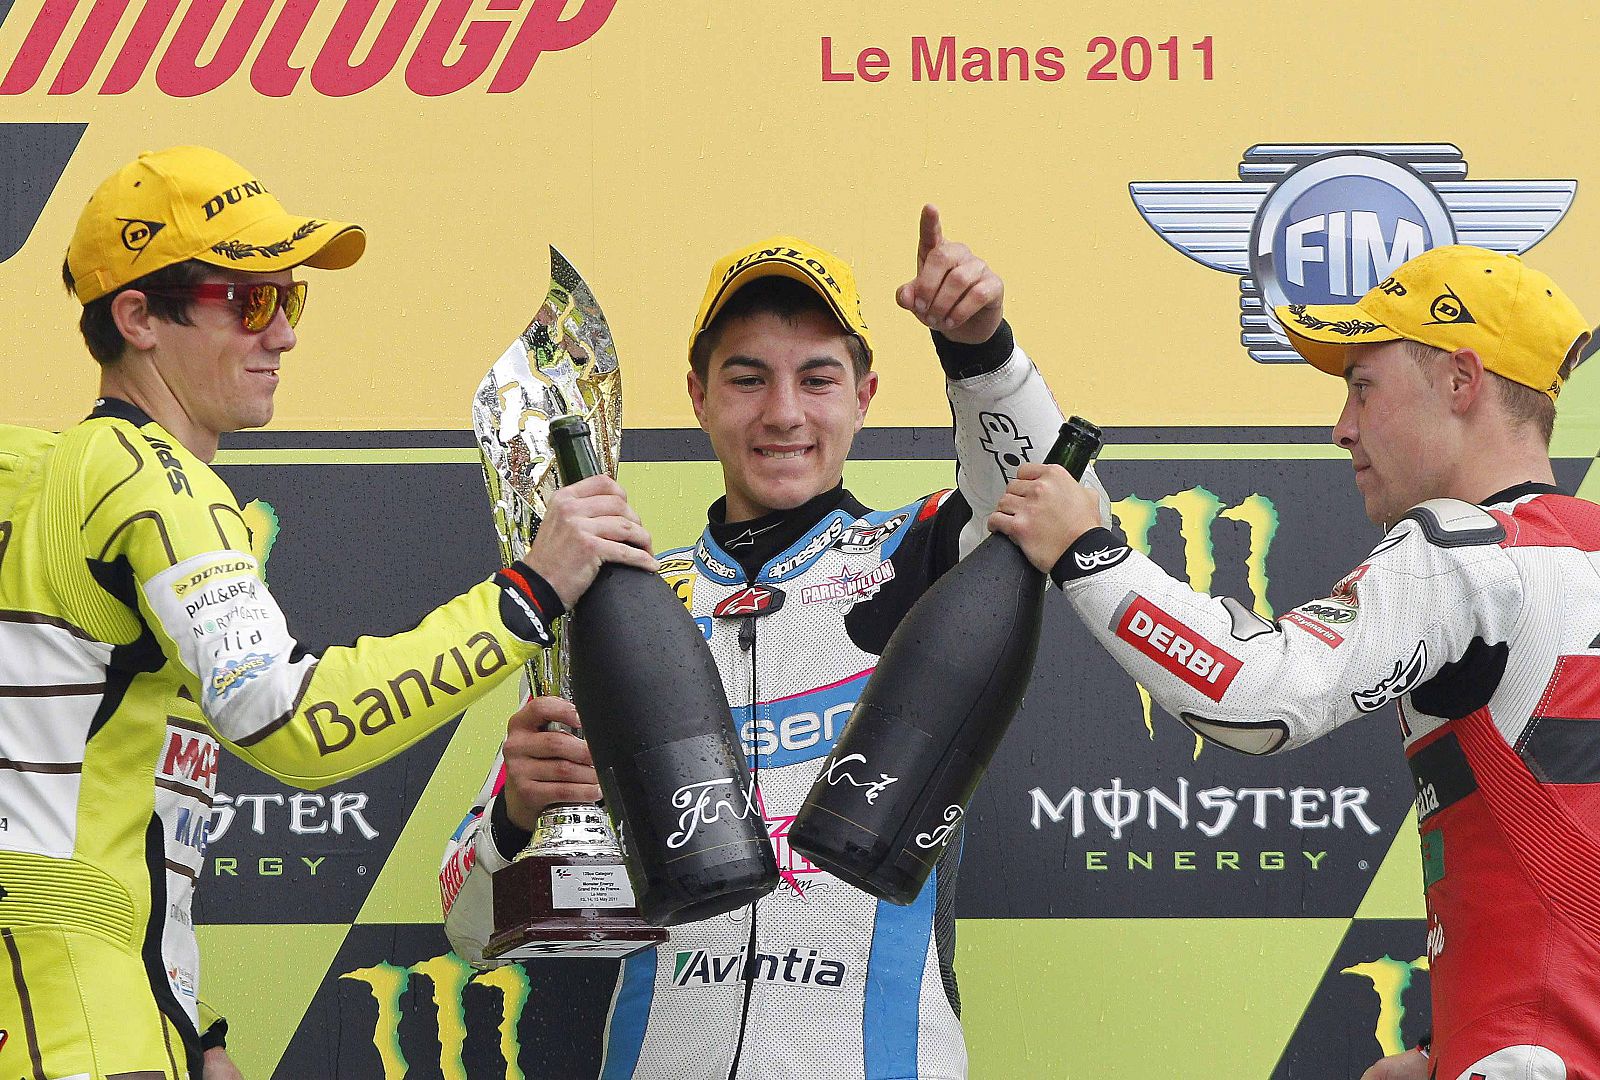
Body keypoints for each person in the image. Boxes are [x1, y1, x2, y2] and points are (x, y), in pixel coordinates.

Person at [0, 146, 654, 1080]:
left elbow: (104, 803)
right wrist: (531, 594)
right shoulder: (146, 478)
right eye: (248, 301)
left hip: (105, 997)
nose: (284, 336)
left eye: (289, 298)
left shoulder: (42, 476)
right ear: (138, 317)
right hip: (73, 1014)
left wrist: (195, 1028)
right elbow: (293, 723)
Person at [442, 208, 1109, 1079]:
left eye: (818, 378)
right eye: (748, 378)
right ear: (699, 396)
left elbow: (1071, 508)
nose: (784, 412)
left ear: (865, 396)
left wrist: (983, 351)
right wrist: (516, 813)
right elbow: (465, 927)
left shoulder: (927, 553)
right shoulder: (622, 605)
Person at [987, 244, 1596, 1080]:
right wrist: (1449, 1043)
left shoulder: (1466, 552)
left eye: (1363, 386)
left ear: (1461, 382)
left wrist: (1086, 551)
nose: (1343, 426)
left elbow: (1259, 696)